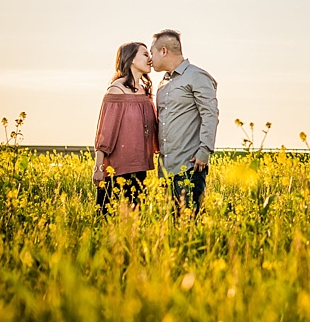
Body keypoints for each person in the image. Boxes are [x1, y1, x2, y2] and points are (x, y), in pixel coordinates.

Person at [150, 29, 219, 217]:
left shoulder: (196, 76)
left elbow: (210, 114)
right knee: (170, 227)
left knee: (190, 223)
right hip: (165, 168)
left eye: (152, 52)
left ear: (164, 51)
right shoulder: (163, 83)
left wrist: (205, 150)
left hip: (189, 165)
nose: (150, 58)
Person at [92, 42, 159, 216]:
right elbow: (105, 133)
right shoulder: (116, 90)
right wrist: (98, 168)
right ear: (131, 59)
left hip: (139, 168)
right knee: (105, 220)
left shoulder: (144, 90)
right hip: (116, 169)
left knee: (134, 222)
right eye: (145, 54)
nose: (150, 59)